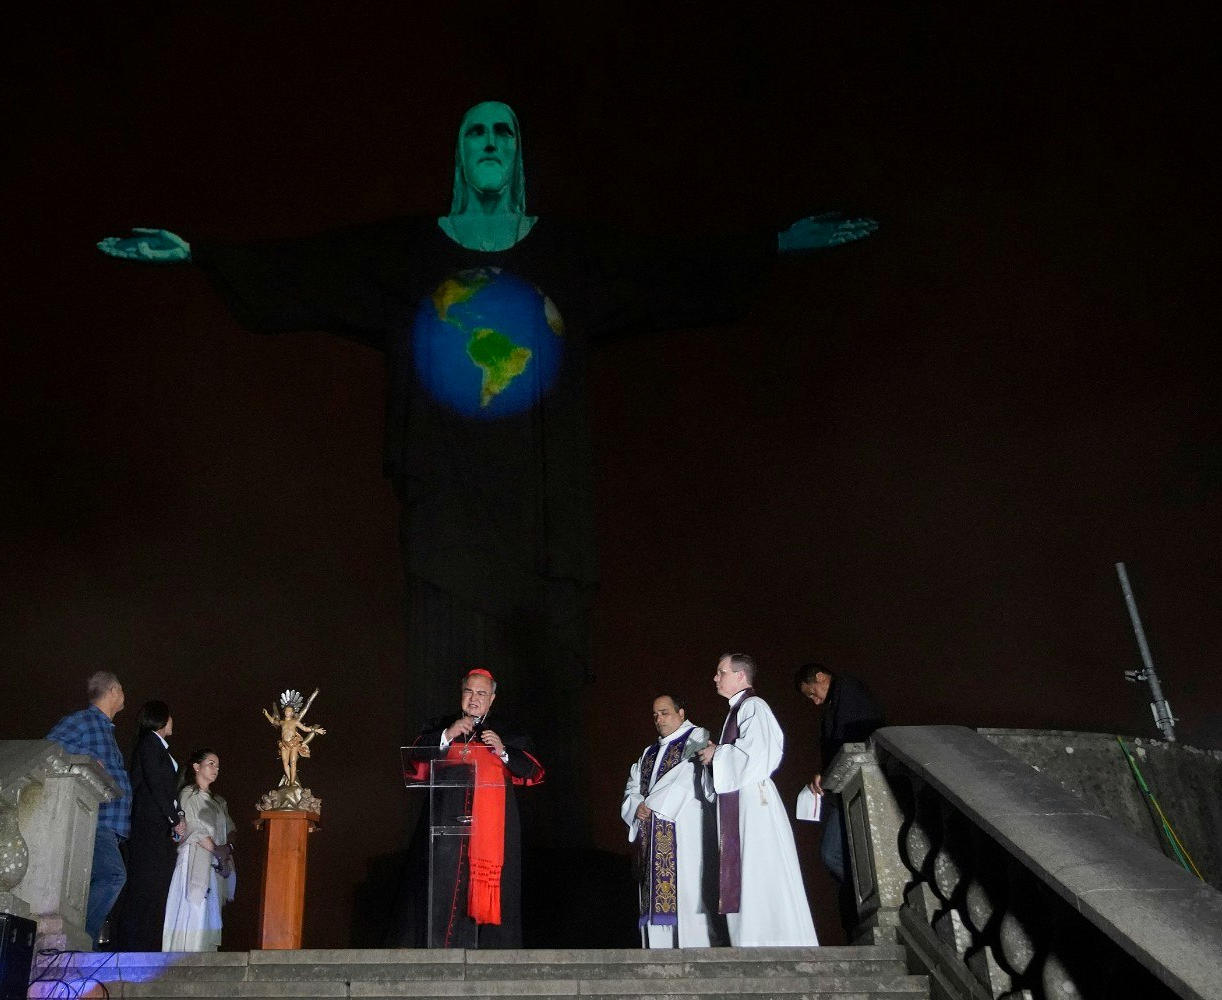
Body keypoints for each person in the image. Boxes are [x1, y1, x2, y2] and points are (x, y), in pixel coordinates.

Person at [95, 101, 877, 848]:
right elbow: (313, 268)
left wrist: (770, 246)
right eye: (476, 133)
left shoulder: (566, 253)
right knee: (445, 653)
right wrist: (203, 253)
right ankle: (438, 848)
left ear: (520, 151)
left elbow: (664, 269)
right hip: (450, 507)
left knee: (548, 671)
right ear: (460, 154)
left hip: (543, 507)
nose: (492, 142)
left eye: (505, 130)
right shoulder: (412, 254)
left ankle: (556, 844)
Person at [393, 668, 544, 948]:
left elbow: (533, 769)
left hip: (492, 830)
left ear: (492, 698)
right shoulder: (442, 724)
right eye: (469, 692)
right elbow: (414, 756)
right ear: (461, 694)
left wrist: (504, 751)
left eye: (481, 693)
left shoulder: (507, 731)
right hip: (444, 827)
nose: (474, 699)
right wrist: (447, 735)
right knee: (441, 887)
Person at [697, 654, 817, 946]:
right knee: (749, 869)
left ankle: (777, 938)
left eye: (720, 671)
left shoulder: (753, 706)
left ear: (740, 676)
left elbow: (761, 753)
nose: (715, 677)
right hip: (741, 800)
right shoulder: (735, 711)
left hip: (754, 803)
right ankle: (751, 939)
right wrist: (716, 758)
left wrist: (718, 754)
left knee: (761, 868)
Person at [45, 671, 132, 946]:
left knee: (95, 880)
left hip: (109, 825)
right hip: (95, 820)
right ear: (114, 690)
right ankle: (79, 938)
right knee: (112, 874)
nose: (124, 696)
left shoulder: (106, 730)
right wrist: (86, 760)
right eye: (122, 691)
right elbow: (48, 750)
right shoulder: (82, 721)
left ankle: (81, 939)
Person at [621, 694, 713, 948]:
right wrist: (636, 806)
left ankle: (696, 951)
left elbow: (687, 776)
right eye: (655, 715)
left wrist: (652, 805)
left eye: (665, 713)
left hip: (684, 826)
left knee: (687, 890)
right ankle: (658, 955)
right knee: (655, 894)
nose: (659, 719)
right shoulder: (649, 752)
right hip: (651, 831)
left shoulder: (696, 737)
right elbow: (633, 785)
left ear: (681, 713)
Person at [795, 663, 885, 889]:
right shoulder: (834, 704)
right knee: (837, 853)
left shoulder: (846, 687)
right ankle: (863, 895)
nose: (815, 701)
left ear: (821, 677)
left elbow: (851, 734)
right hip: (843, 788)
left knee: (833, 853)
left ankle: (867, 892)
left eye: (812, 693)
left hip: (858, 781)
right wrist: (823, 774)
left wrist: (826, 773)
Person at [113, 700, 187, 951]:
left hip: (159, 827)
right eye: (170, 717)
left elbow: (167, 789)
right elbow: (155, 784)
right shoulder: (149, 743)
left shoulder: (159, 748)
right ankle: (127, 943)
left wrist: (178, 813)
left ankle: (144, 942)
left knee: (155, 884)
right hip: (148, 825)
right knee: (143, 883)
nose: (173, 722)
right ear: (161, 719)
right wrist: (174, 818)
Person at [163, 748, 237, 951]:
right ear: (197, 766)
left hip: (215, 860)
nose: (216, 769)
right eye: (211, 763)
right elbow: (193, 826)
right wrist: (215, 849)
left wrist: (226, 849)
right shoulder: (189, 793)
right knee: (195, 904)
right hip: (197, 857)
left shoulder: (219, 801)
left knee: (211, 911)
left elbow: (230, 828)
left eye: (218, 766)